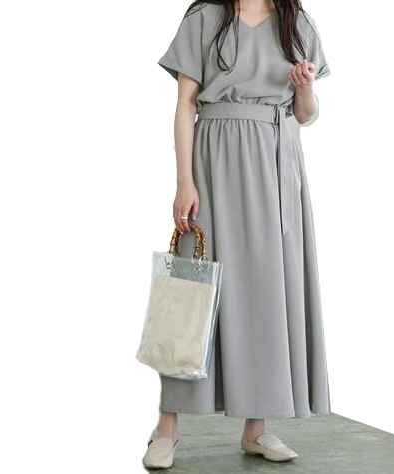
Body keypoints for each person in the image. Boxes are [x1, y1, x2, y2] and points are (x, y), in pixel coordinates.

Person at [143, 0, 331, 468]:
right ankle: (167, 427)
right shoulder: (205, 18)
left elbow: (306, 115)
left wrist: (305, 87)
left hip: (276, 166)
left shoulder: (297, 23)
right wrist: (184, 181)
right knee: (193, 288)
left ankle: (257, 428)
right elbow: (185, 104)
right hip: (214, 162)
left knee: (267, 292)